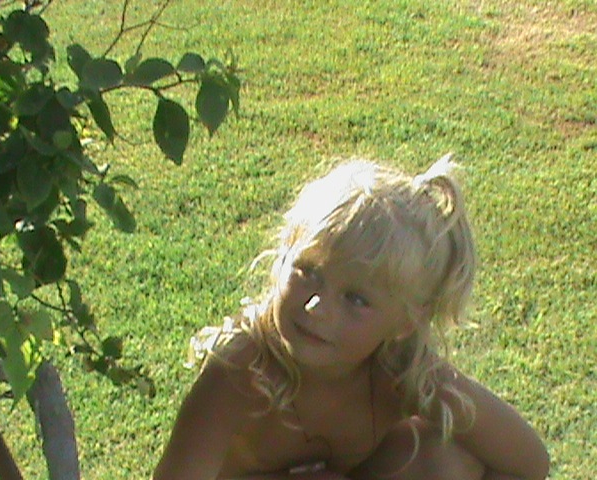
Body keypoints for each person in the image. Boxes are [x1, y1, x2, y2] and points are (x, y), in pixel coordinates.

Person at [153, 155, 549, 480]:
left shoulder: (401, 372)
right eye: (308, 271)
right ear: (284, 253)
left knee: (446, 461)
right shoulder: (243, 369)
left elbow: (529, 463)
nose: (316, 307)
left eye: (355, 299)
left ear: (406, 323)